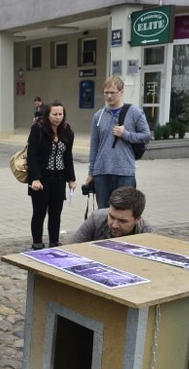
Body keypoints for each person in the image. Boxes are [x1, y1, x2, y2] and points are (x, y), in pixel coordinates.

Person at [86, 76, 151, 208]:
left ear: (121, 92)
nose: (109, 96)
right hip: (102, 172)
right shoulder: (99, 116)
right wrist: (91, 172)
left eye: (112, 92)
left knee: (124, 210)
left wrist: (125, 134)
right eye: (106, 93)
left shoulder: (134, 112)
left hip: (124, 172)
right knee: (103, 212)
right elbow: (94, 146)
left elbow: (146, 136)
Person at [26, 100, 76, 249]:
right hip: (41, 179)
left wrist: (71, 179)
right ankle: (37, 242)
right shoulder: (38, 129)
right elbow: (32, 155)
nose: (58, 117)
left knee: (56, 213)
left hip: (59, 178)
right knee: (39, 212)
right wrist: (35, 178)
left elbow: (68, 157)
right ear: (48, 115)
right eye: (54, 114)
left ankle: (54, 241)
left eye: (61, 114)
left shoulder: (67, 131)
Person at [69, 187, 152, 243]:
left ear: (137, 219)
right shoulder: (96, 218)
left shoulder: (147, 233)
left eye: (122, 221)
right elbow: (70, 250)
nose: (115, 225)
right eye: (111, 217)